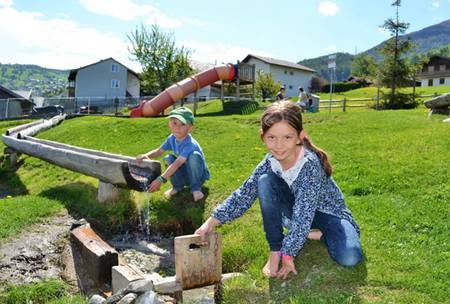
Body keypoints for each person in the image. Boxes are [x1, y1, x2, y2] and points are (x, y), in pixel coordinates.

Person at [195, 100, 362, 279]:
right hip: (296, 213)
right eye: (272, 137)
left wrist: (289, 254)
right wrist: (211, 222)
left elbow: (304, 213)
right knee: (265, 181)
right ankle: (274, 250)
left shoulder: (310, 164)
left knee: (350, 257)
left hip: (329, 214)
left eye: (287, 137)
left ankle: (318, 235)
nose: (279, 145)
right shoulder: (270, 162)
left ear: (300, 136)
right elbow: (244, 194)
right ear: (262, 136)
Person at [136, 107, 210, 202]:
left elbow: (178, 163)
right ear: (169, 124)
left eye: (182, 124)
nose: (177, 127)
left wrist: (161, 179)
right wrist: (145, 155)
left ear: (190, 128)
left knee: (194, 156)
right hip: (185, 173)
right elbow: (159, 151)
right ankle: (177, 186)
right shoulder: (172, 138)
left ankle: (196, 188)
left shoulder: (190, 144)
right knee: (168, 158)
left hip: (197, 175)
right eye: (174, 123)